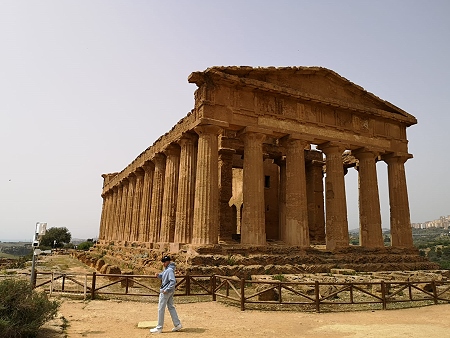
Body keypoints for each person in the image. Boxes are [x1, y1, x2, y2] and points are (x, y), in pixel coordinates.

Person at [150, 255, 182, 334]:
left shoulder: (169, 270)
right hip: (169, 291)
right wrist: (159, 275)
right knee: (171, 307)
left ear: (168, 262)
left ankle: (159, 327)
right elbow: (164, 275)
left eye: (164, 262)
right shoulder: (168, 269)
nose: (163, 264)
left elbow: (173, 281)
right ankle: (177, 324)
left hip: (166, 291)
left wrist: (166, 290)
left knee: (161, 308)